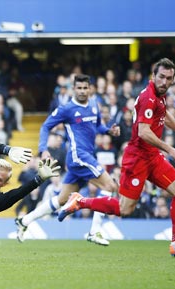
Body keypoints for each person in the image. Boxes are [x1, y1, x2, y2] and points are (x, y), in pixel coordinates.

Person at [57, 58, 175, 257]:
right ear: (153, 76)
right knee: (125, 209)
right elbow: (143, 132)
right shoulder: (148, 97)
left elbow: (163, 113)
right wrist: (169, 148)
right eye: (161, 77)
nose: (164, 81)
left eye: (169, 78)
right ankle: (80, 201)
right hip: (137, 159)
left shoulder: (159, 97)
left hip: (152, 157)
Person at [15, 74, 120, 246]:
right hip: (78, 156)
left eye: (85, 88)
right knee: (109, 186)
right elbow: (45, 126)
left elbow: (97, 126)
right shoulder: (67, 109)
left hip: (86, 156)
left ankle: (24, 221)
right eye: (79, 88)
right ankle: (94, 231)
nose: (82, 91)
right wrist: (43, 150)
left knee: (61, 200)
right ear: (73, 89)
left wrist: (109, 131)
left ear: (90, 89)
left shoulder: (94, 105)